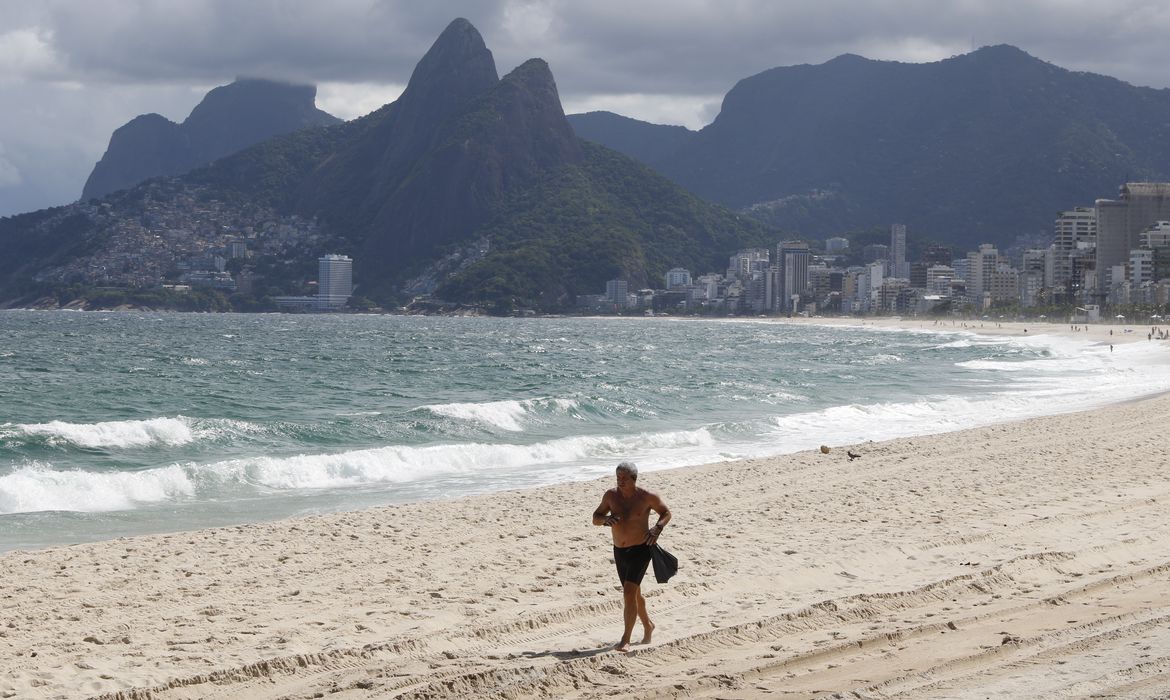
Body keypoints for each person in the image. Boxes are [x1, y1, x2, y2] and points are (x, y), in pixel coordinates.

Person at [593, 461, 671, 652]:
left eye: (624, 478)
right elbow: (595, 518)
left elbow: (666, 513)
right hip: (619, 551)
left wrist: (657, 528)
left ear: (634, 479)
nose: (620, 481)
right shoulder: (611, 496)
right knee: (634, 593)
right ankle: (648, 626)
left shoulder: (647, 497)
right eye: (618, 477)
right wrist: (605, 520)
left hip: (641, 550)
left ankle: (625, 639)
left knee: (628, 593)